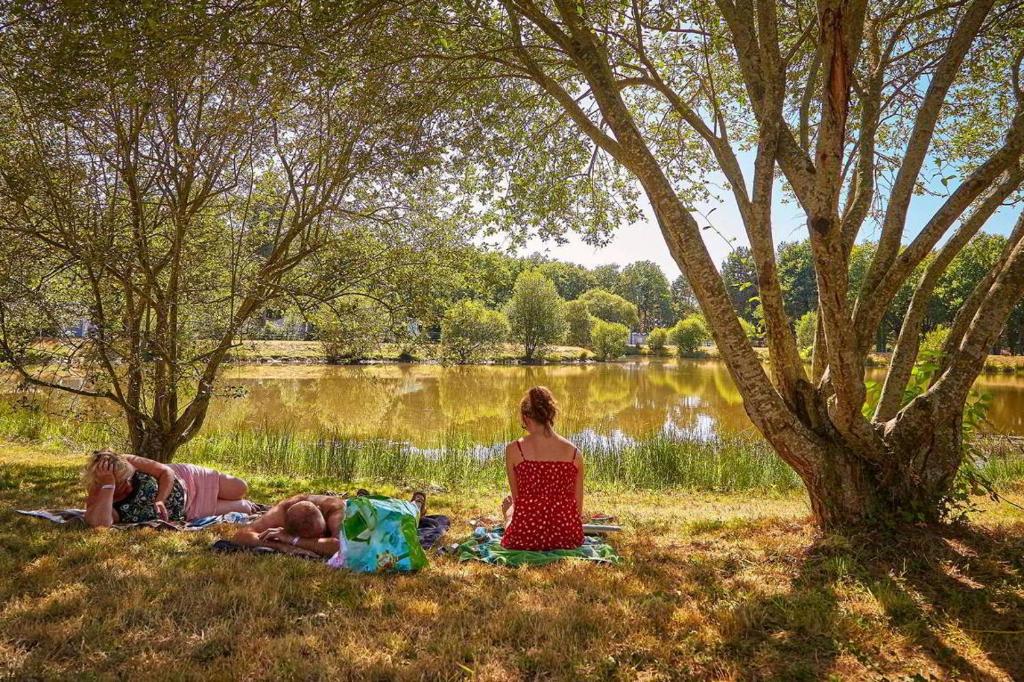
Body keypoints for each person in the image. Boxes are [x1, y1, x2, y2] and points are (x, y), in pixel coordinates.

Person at [82, 449, 258, 528]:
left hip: (187, 478)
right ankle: (243, 505)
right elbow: (99, 524)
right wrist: (108, 486)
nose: (128, 484)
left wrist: (160, 499)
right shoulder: (101, 493)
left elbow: (166, 472)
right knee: (244, 508)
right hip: (188, 509)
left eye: (129, 478)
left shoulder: (126, 460)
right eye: (121, 483)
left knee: (240, 487)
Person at [501, 386, 584, 551]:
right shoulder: (575, 454)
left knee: (511, 512)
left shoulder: (513, 450)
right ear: (550, 415)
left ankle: (507, 516)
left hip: (526, 536)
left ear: (526, 418)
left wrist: (510, 514)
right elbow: (578, 509)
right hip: (567, 537)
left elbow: (519, 503)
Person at [231, 494, 347, 558]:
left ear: (320, 510)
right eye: (314, 537)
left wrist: (292, 540)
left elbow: (342, 547)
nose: (322, 537)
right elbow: (241, 535)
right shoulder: (281, 512)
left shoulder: (335, 510)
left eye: (323, 533)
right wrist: (282, 546)